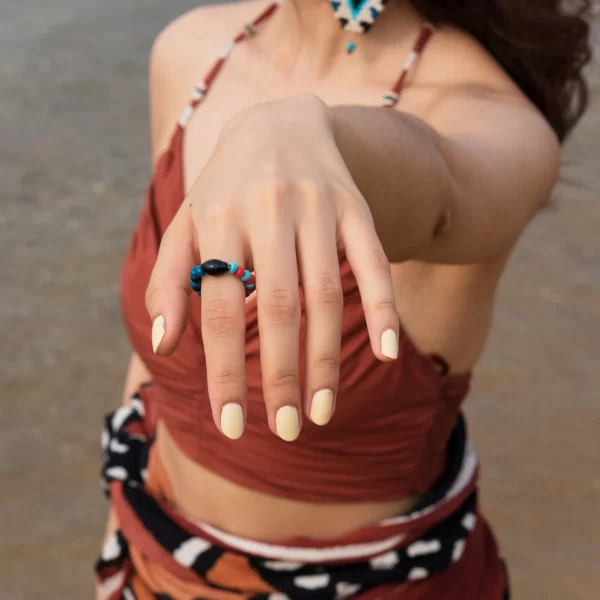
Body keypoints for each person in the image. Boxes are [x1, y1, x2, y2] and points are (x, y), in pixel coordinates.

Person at [96, 0, 591, 598]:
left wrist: (301, 131)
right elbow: (159, 346)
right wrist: (117, 547)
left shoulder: (494, 122)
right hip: (155, 557)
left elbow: (438, 189)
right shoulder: (193, 52)